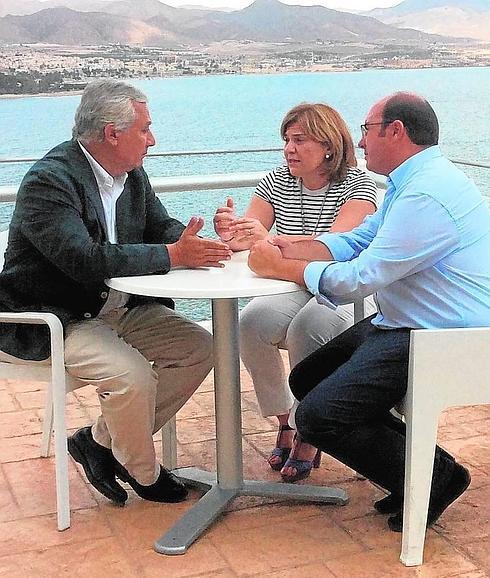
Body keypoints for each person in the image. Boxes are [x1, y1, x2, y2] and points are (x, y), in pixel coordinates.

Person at [248, 92, 490, 529]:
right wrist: (296, 247)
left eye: (366, 130)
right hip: (403, 321)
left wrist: (287, 268)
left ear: (396, 131)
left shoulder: (428, 195)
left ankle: (434, 479)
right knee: (306, 379)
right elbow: (358, 240)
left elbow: (361, 277)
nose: (360, 143)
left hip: (440, 336)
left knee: (317, 417)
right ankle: (424, 473)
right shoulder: (410, 183)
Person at [0, 80, 232, 506]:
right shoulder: (48, 182)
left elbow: (160, 229)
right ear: (112, 133)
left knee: (201, 347)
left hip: (116, 306)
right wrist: (171, 254)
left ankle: (98, 441)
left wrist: (201, 245)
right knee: (130, 375)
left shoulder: (130, 174)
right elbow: (84, 260)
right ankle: (143, 471)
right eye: (145, 129)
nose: (152, 139)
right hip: (57, 315)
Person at [214, 103, 378, 482]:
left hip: (344, 290)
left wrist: (267, 241)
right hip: (292, 284)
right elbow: (251, 236)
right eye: (287, 139)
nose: (289, 148)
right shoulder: (276, 181)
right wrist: (232, 233)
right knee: (251, 323)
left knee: (309, 326)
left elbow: (337, 247)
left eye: (300, 140)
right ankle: (287, 419)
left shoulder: (358, 186)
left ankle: (310, 428)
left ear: (329, 146)